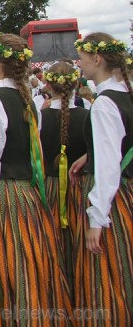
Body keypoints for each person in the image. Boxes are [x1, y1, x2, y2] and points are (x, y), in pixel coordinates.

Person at [0, 33, 73, 323]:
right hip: (31, 199)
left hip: (5, 201)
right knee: (32, 270)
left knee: (6, 274)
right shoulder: (28, 101)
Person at [70, 34, 132, 324]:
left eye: (82, 57)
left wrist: (97, 218)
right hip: (126, 190)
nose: (79, 63)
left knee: (111, 275)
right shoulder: (126, 93)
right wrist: (90, 155)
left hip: (115, 199)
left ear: (97, 59)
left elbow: (109, 166)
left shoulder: (105, 102)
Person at [39, 62, 88, 288]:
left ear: (47, 85)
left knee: (51, 240)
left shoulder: (39, 117)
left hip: (48, 189)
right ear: (77, 83)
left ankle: (56, 286)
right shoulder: (88, 116)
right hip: (80, 188)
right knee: (79, 240)